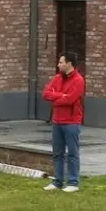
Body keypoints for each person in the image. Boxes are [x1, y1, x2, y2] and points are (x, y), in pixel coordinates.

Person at [41, 54, 84, 192]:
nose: (58, 65)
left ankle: (73, 182)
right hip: (57, 121)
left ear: (69, 64)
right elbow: (45, 94)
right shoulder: (57, 78)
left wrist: (55, 100)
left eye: (61, 62)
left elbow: (70, 100)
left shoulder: (78, 80)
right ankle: (57, 181)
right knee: (57, 153)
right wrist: (60, 96)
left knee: (72, 152)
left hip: (71, 122)